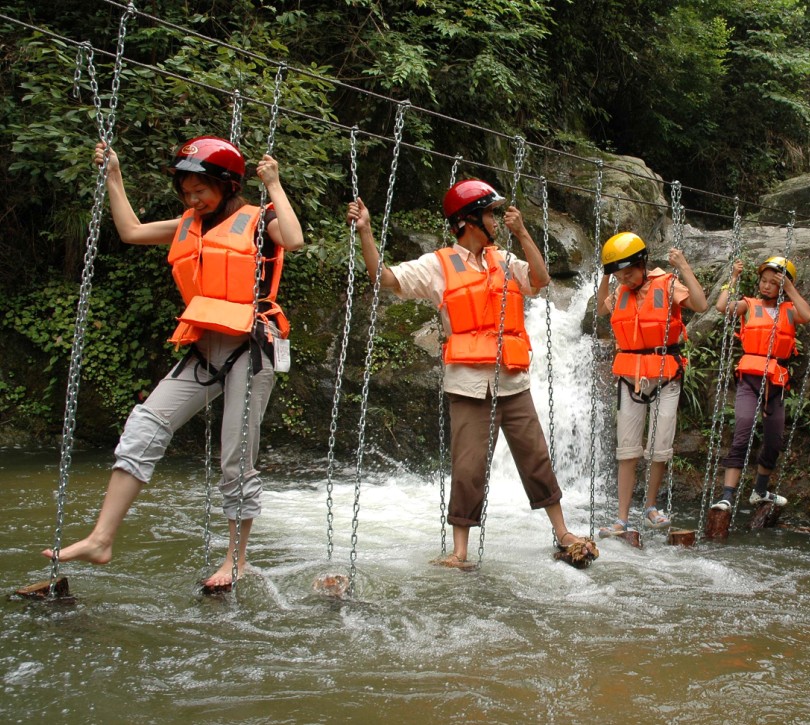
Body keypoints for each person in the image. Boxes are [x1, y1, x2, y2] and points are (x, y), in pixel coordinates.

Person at [43, 136, 304, 588]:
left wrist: (275, 185)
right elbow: (130, 231)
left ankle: (235, 560)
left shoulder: (260, 220)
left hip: (251, 347)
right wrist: (114, 176)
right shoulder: (187, 224)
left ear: (226, 185)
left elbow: (296, 240)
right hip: (204, 349)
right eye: (185, 192)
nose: (192, 199)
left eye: (199, 190)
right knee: (144, 425)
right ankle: (101, 539)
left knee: (235, 459)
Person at [345, 180, 597, 568]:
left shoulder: (505, 260)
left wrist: (523, 232)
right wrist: (365, 231)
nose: (495, 219)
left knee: (536, 458)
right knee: (467, 467)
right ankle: (460, 551)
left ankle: (562, 533)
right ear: (467, 221)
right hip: (468, 384)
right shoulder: (438, 265)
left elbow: (541, 281)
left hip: (512, 380)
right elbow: (385, 279)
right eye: (490, 213)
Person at [594, 233, 708, 537]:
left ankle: (650, 507)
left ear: (643, 264)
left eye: (628, 272)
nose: (624, 278)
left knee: (660, 445)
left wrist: (683, 265)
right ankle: (621, 519)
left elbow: (700, 303)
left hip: (665, 374)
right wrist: (607, 276)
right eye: (618, 273)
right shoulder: (618, 289)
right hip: (630, 377)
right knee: (627, 449)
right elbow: (599, 310)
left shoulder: (667, 284)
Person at [710, 257, 810, 512]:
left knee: (774, 439)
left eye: (773, 283)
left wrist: (789, 288)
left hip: (776, 382)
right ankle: (727, 496)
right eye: (763, 281)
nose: (766, 286)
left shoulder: (790, 309)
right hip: (750, 379)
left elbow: (809, 315)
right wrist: (733, 277)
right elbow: (722, 307)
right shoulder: (749, 304)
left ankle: (760, 491)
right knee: (743, 430)